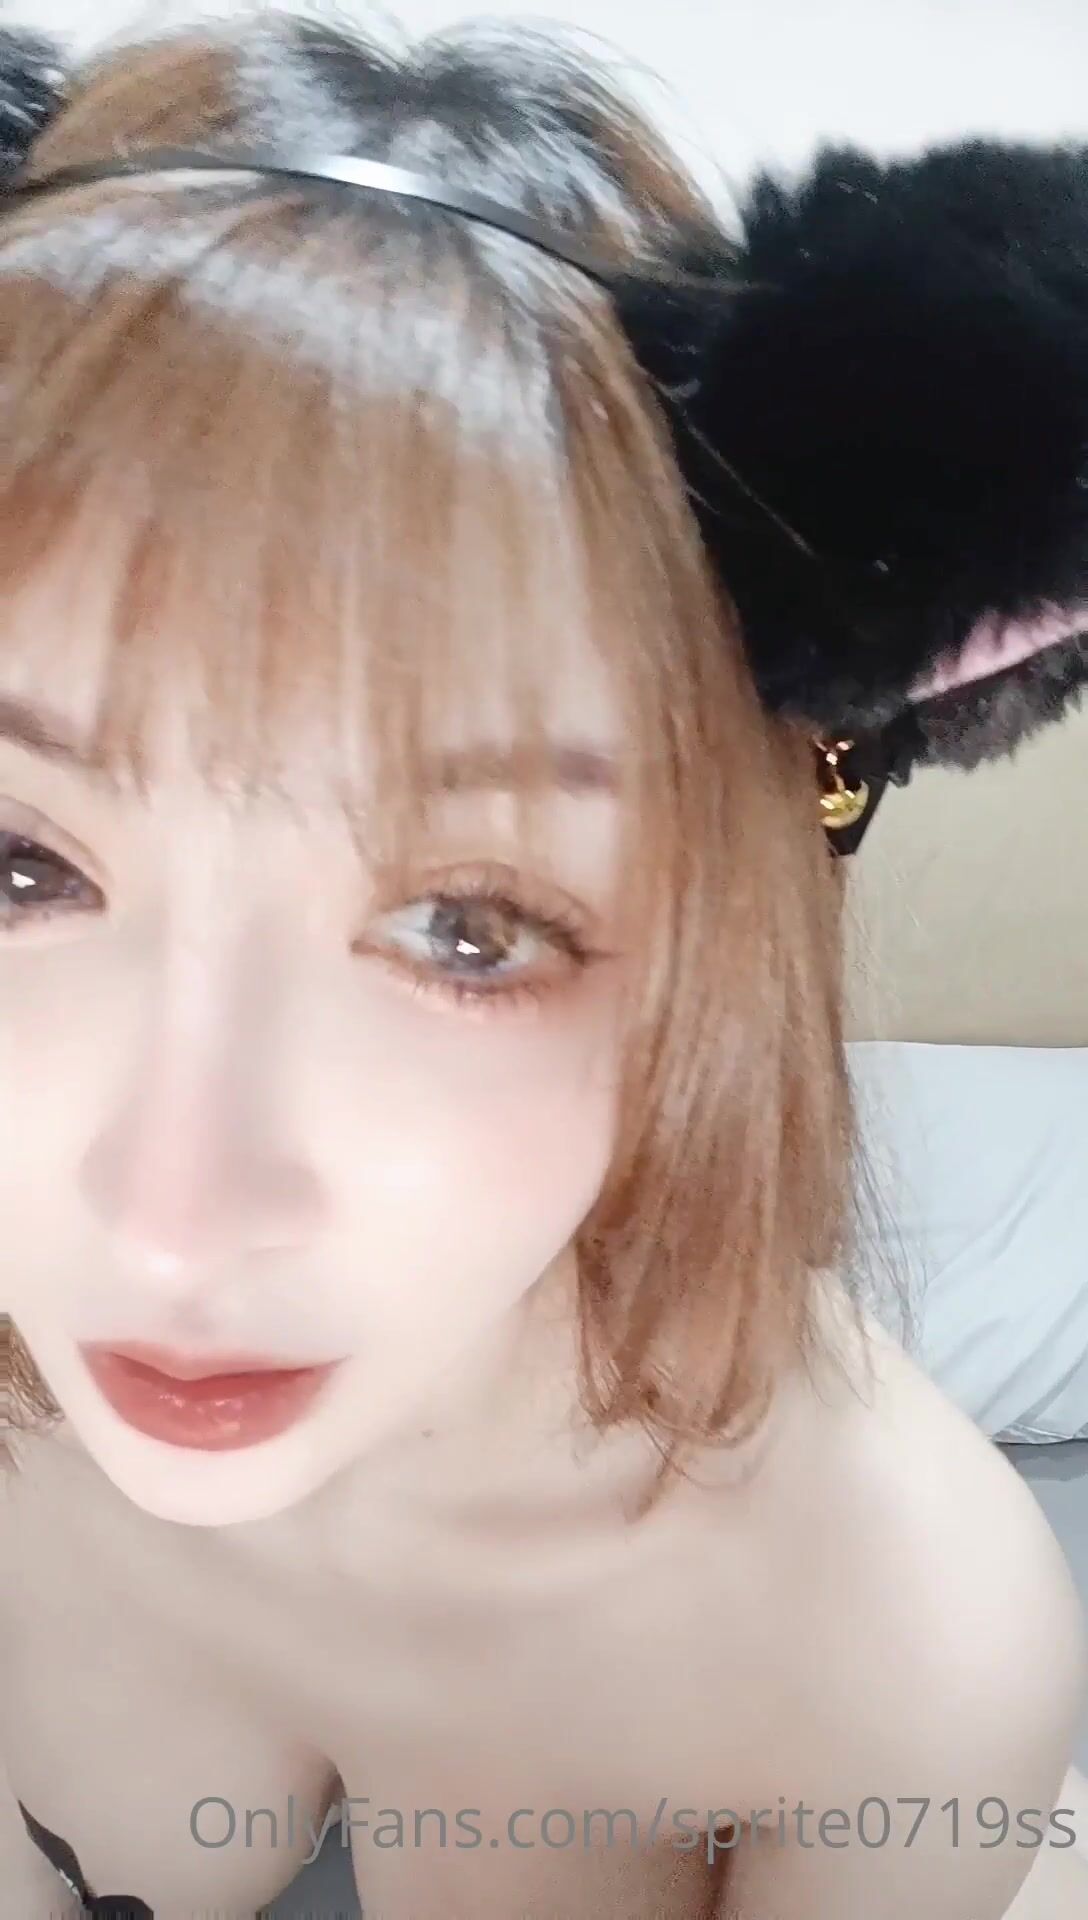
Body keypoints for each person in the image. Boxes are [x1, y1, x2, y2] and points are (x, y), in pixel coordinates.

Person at [1, 10, 1086, 1918]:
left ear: (714, 944)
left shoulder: (899, 1646)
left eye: (470, 929)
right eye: (21, 865)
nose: (172, 1222)